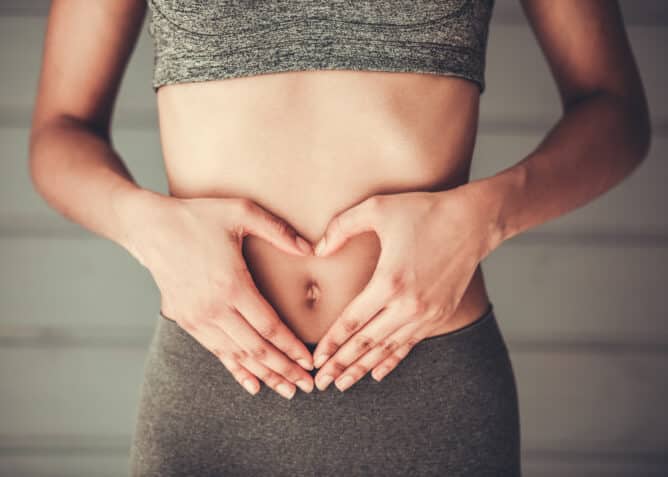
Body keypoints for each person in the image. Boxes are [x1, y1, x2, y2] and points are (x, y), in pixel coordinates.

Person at [28, 0, 651, 475]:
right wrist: (147, 227)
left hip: (429, 391)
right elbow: (61, 129)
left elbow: (614, 110)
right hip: (214, 387)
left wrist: (485, 216)